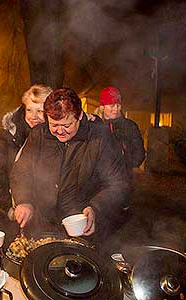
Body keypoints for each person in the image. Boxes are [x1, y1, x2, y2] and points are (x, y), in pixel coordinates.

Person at [10, 88, 130, 242]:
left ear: (79, 116)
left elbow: (118, 185)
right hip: (42, 228)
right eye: (54, 125)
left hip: (83, 229)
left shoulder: (100, 138)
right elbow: (21, 172)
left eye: (66, 125)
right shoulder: (38, 135)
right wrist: (24, 200)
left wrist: (96, 208)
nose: (60, 131)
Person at [0, 84, 52, 234]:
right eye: (29, 110)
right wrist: (9, 208)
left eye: (40, 111)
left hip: (46, 216)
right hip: (15, 215)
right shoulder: (8, 137)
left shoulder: (55, 135)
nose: (33, 116)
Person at [96, 86, 146, 177]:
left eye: (118, 105)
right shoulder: (96, 126)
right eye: (112, 106)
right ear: (102, 107)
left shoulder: (130, 126)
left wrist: (124, 166)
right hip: (98, 180)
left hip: (122, 178)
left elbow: (139, 153)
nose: (116, 109)